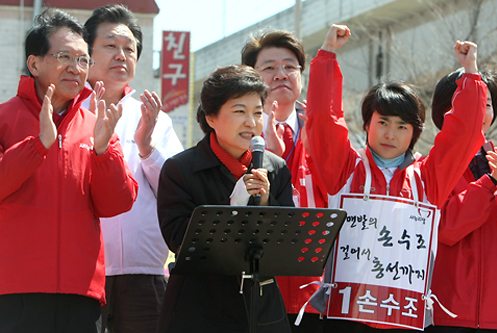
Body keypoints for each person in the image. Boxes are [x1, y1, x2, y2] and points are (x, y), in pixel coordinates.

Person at [305, 24, 487, 332]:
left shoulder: (428, 177)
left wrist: (470, 72)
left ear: (415, 133)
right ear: (367, 124)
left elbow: (464, 134)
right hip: (347, 315)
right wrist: (328, 55)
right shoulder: (345, 170)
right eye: (383, 122)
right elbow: (322, 118)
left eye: (402, 126)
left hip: (403, 314)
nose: (390, 134)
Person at [0, 9, 138, 333]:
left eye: (83, 60)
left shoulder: (96, 125)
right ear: (34, 64)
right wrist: (38, 145)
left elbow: (117, 203)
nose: (76, 69)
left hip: (82, 294)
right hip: (14, 291)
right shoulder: (5, 119)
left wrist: (104, 152)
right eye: (65, 56)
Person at [156, 65, 293, 333]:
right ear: (211, 117)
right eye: (239, 111)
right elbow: (178, 240)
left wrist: (266, 203)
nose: (251, 122)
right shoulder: (180, 170)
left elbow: (285, 243)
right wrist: (234, 207)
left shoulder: (275, 168)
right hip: (199, 308)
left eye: (257, 112)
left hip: (261, 309)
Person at [83, 5, 183, 332]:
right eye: (110, 46)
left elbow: (175, 190)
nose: (121, 55)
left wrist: (146, 148)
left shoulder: (154, 117)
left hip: (146, 275)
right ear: (87, 53)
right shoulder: (68, 115)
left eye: (130, 49)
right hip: (84, 273)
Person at [242, 29, 327, 332]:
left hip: (313, 293)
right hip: (256, 288)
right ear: (251, 76)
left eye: (290, 66)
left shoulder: (324, 130)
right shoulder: (237, 133)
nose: (281, 75)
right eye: (269, 67)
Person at [424, 69, 497, 332]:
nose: (478, 110)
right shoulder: (429, 167)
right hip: (447, 315)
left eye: (487, 104)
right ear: (446, 112)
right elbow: (447, 228)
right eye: (468, 102)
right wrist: (490, 183)